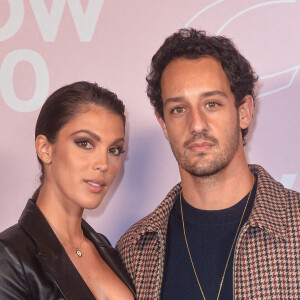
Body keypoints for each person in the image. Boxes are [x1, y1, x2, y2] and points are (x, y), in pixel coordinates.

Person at [117, 29, 300, 300]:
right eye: (179, 109)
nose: (196, 124)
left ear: (244, 112)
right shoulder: (134, 251)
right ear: (163, 124)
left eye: (212, 104)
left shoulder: (295, 226)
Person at [0, 81, 136, 299]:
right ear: (45, 149)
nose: (103, 163)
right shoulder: (10, 256)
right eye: (85, 143)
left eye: (114, 149)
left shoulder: (108, 250)